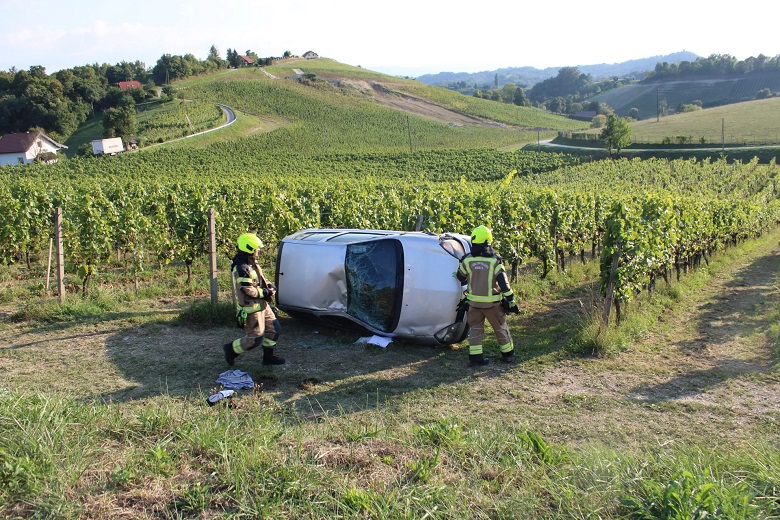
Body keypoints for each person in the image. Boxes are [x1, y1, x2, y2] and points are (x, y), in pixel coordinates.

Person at [456, 225, 519, 366]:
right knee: (500, 328)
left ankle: (475, 358)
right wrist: (510, 298)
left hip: (473, 304)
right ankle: (508, 355)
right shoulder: (494, 261)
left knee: (475, 330)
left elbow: (460, 277)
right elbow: (503, 283)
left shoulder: (467, 260)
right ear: (488, 241)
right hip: (492, 305)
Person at [223, 232, 285, 366]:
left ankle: (268, 357)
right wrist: (266, 292)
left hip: (262, 304)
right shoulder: (242, 268)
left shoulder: (252, 263)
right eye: (257, 249)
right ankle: (231, 349)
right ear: (249, 249)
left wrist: (269, 285)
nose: (259, 251)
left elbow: (259, 279)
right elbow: (247, 289)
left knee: (274, 329)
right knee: (255, 338)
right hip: (251, 308)